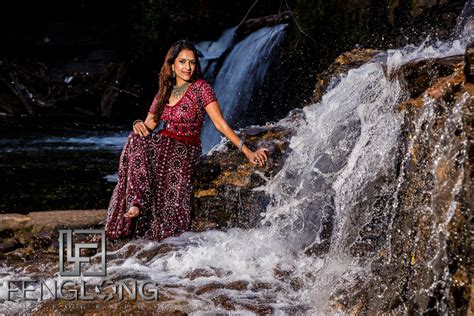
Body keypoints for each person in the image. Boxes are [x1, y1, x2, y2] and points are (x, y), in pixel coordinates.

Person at [104, 40, 268, 241]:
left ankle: (141, 207)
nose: (188, 67)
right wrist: (138, 123)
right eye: (182, 62)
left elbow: (220, 125)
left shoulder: (201, 88)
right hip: (163, 144)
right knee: (135, 138)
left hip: (185, 149)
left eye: (191, 62)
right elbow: (149, 125)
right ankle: (136, 203)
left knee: (145, 149)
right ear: (172, 65)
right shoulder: (165, 91)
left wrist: (248, 151)